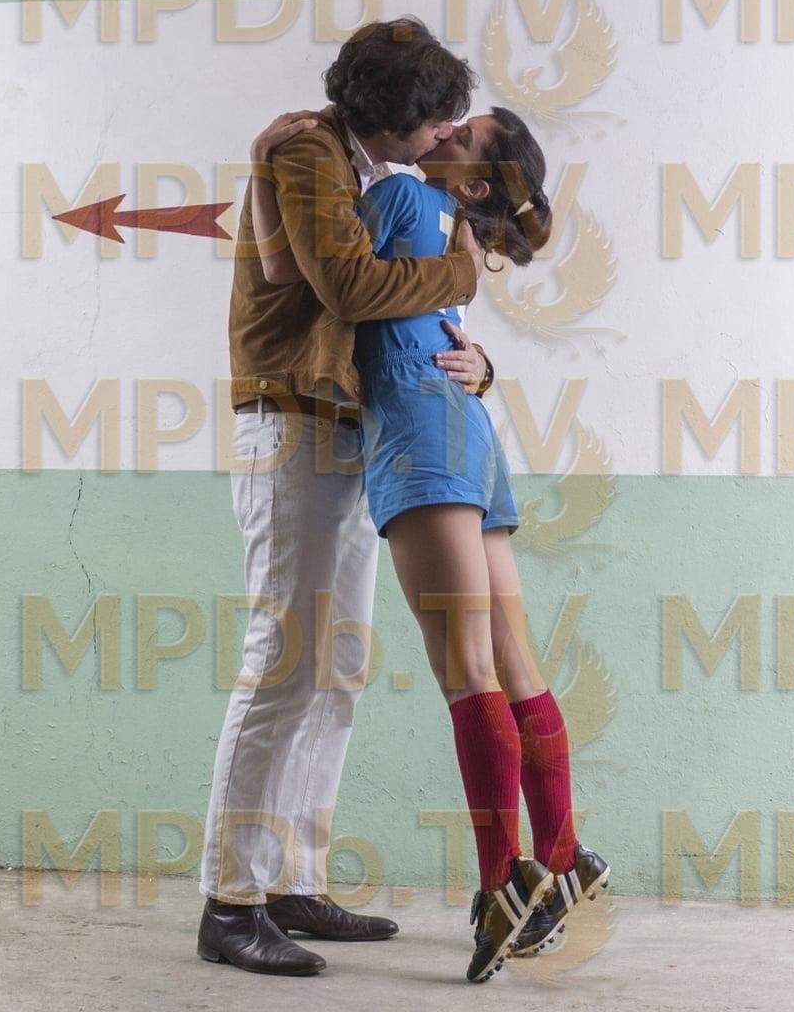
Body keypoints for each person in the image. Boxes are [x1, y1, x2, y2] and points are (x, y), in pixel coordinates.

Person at [255, 106, 611, 983]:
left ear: (475, 179)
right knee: (512, 662)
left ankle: (502, 886)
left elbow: (306, 278)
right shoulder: (453, 227)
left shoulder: (407, 199)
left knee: (467, 671)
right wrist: (482, 366)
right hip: (469, 436)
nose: (443, 129)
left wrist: (264, 173)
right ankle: (563, 858)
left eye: (462, 133)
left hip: (420, 437)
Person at [197, 18, 495, 977]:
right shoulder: (305, 151)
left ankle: (291, 881)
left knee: (337, 669)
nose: (448, 136)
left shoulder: (370, 174)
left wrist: (478, 361)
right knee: (284, 662)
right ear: (400, 114)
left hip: (350, 426)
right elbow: (353, 287)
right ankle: (231, 902)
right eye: (439, 120)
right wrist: (466, 267)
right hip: (291, 421)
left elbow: (407, 324)